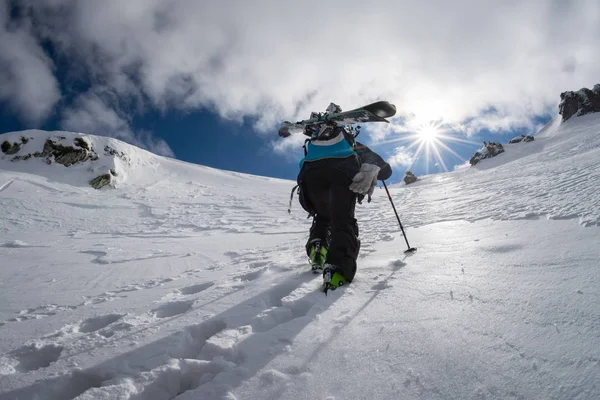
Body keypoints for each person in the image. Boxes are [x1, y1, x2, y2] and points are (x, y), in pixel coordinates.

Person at [296, 103, 392, 293]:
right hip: (341, 175)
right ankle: (338, 269)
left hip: (310, 180)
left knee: (323, 217)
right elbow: (386, 171)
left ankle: (318, 248)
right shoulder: (352, 143)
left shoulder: (314, 142)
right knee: (342, 220)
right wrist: (374, 168)